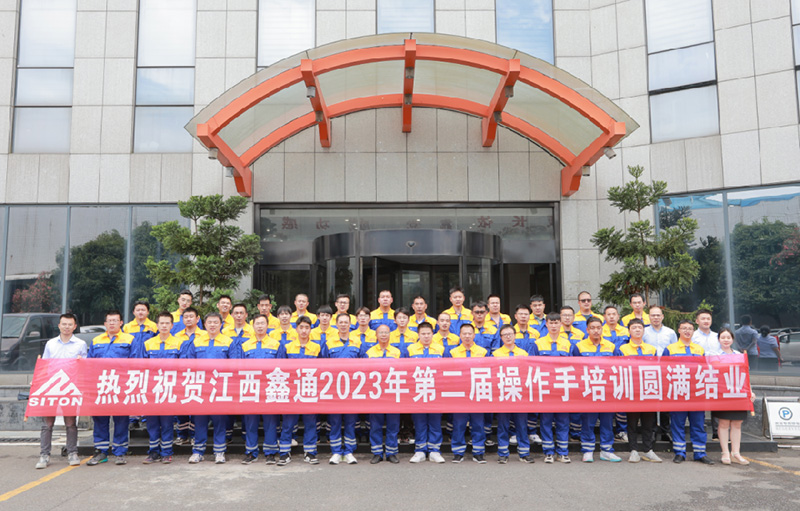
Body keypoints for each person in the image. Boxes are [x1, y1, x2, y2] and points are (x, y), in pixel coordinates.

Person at [36, 313, 87, 469]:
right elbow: (44, 365)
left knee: (70, 423)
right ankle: (44, 455)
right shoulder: (51, 344)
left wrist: (81, 362)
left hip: (70, 387)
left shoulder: (80, 344)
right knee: (47, 424)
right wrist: (38, 382)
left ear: (74, 326)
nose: (66, 327)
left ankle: (72, 452)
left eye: (70, 324)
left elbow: (85, 366)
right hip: (51, 387)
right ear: (59, 326)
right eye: (64, 324)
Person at [182, 313, 233, 464]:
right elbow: (189, 364)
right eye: (209, 322)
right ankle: (198, 451)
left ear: (221, 324)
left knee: (219, 421)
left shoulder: (228, 341)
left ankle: (219, 452)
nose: (212, 325)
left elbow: (234, 364)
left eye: (215, 322)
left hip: (220, 388)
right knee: (200, 421)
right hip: (201, 387)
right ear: (204, 324)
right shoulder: (196, 342)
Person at [232, 314, 282, 465]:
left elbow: (281, 367)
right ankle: (251, 452)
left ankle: (270, 453)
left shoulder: (276, 344)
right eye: (257, 324)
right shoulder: (245, 345)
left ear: (268, 326)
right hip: (251, 388)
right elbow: (240, 367)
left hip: (270, 388)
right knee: (250, 422)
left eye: (262, 323)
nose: (260, 326)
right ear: (252, 326)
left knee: (270, 422)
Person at [663, 320, 714, 465]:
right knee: (677, 424)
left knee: (698, 424)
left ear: (693, 331)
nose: (687, 331)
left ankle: (700, 453)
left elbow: (705, 370)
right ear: (678, 330)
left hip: (696, 393)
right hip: (677, 392)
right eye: (684, 328)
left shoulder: (699, 349)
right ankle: (679, 453)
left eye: (690, 329)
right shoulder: (670, 349)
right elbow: (663, 370)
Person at [530, 312, 575, 463]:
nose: (554, 326)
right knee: (546, 421)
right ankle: (548, 452)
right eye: (551, 323)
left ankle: (563, 452)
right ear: (546, 324)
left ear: (561, 324)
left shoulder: (568, 344)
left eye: (556, 323)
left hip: (563, 388)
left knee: (563, 421)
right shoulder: (538, 343)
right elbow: (532, 365)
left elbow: (575, 365)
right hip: (546, 388)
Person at [574, 316, 620, 463]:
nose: (596, 331)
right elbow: (574, 368)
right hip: (588, 390)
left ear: (602, 329)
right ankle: (588, 450)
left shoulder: (611, 346)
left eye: (598, 328)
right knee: (588, 421)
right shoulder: (579, 346)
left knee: (607, 421)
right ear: (587, 330)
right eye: (592, 328)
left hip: (607, 390)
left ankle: (607, 450)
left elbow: (618, 367)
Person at [277, 316, 321, 466]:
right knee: (288, 423)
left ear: (310, 330)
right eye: (301, 327)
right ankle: (284, 453)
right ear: (296, 329)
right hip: (292, 391)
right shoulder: (287, 347)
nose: (304, 330)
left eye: (307, 328)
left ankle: (310, 452)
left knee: (310, 422)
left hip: (310, 389)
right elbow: (280, 368)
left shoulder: (317, 347)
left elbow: (324, 368)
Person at [617, 319, 662, 463]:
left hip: (648, 389)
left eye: (640, 328)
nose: (637, 330)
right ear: (629, 331)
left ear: (643, 331)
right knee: (632, 422)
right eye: (634, 328)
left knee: (648, 422)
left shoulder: (651, 349)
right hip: (632, 390)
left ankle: (648, 450)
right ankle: (634, 450)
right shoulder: (622, 349)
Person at [141, 312, 181, 464]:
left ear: (172, 325)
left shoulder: (179, 343)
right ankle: (153, 452)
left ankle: (166, 452)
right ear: (157, 325)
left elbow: (183, 366)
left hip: (170, 389)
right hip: (152, 389)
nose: (164, 326)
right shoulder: (148, 344)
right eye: (161, 323)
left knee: (167, 422)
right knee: (152, 423)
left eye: (167, 323)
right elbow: (142, 366)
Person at [322, 313, 362, 465]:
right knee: (335, 421)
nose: (344, 325)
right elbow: (323, 364)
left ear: (350, 325)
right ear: (336, 324)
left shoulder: (357, 341)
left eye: (346, 322)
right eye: (341, 322)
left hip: (353, 388)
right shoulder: (329, 342)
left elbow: (364, 363)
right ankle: (336, 452)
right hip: (334, 388)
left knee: (351, 421)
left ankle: (349, 451)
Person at [446, 323, 488, 463]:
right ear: (460, 335)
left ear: (474, 335)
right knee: (459, 424)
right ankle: (458, 452)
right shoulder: (453, 352)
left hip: (478, 392)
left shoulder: (483, 351)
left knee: (478, 424)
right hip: (460, 393)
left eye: (470, 333)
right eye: (464, 333)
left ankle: (478, 452)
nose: (467, 336)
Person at [714, 328, 756, 465]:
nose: (726, 340)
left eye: (728, 337)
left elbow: (745, 376)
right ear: (718, 339)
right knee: (724, 423)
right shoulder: (713, 355)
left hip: (738, 394)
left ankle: (736, 453)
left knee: (737, 424)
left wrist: (750, 391)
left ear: (732, 339)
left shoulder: (739, 355)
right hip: (722, 394)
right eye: (723, 337)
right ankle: (725, 452)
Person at [362, 324, 403, 464]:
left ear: (390, 334)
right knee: (375, 425)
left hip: (393, 392)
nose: (384, 335)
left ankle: (391, 452)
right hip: (376, 393)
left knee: (393, 425)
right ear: (376, 335)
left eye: (386, 332)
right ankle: (377, 453)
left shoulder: (397, 352)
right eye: (381, 332)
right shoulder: (370, 352)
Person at [492, 324, 532, 463]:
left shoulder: (523, 353)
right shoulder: (496, 354)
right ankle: (503, 453)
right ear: (501, 337)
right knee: (503, 425)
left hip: (519, 394)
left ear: (515, 336)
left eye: (510, 334)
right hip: (503, 394)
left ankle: (524, 453)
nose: (508, 337)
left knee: (521, 425)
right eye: (505, 335)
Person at [407, 322, 446, 463]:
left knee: (435, 421)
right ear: (418, 334)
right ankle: (420, 450)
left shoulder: (440, 349)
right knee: (420, 422)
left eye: (428, 333)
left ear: (432, 334)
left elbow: (446, 368)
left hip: (435, 390)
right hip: (417, 391)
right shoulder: (410, 349)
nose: (426, 336)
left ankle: (435, 450)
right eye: (423, 334)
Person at [643, 306, 677, 441]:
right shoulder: (644, 331)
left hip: (666, 371)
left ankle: (665, 430)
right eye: (653, 315)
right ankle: (652, 431)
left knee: (665, 401)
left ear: (662, 317)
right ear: (649, 317)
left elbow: (675, 350)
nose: (656, 318)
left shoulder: (670, 332)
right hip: (649, 371)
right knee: (651, 400)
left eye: (658, 315)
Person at [173, 306, 205, 446]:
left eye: (191, 316)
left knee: (196, 406)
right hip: (181, 376)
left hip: (198, 375)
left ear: (197, 319)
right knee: (182, 405)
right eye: (186, 317)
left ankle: (194, 435)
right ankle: (182, 435)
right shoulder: (177, 336)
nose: (188, 319)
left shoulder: (204, 335)